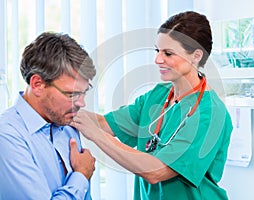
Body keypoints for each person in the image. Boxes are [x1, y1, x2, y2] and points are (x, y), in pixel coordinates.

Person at [72, 11, 233, 200]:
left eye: (168, 53)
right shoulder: (158, 96)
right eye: (157, 51)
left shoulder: (210, 112)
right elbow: (105, 123)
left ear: (196, 55)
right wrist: (65, 105)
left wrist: (96, 135)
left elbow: (156, 171)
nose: (158, 59)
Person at [0, 32, 96, 199]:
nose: (82, 103)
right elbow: (81, 180)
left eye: (84, 92)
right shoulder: (7, 137)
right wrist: (81, 175)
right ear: (37, 84)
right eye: (72, 94)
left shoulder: (67, 126)